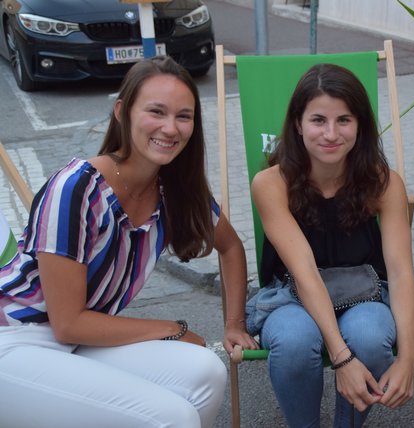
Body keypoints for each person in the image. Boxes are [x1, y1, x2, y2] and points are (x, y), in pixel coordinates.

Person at [0, 56, 258, 428]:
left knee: (207, 372)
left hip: (78, 341)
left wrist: (234, 323)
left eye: (183, 116)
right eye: (156, 111)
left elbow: (231, 247)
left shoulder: (174, 191)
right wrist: (172, 329)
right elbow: (67, 323)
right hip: (18, 342)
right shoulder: (76, 189)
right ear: (122, 111)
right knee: (174, 417)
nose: (171, 128)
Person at [248, 63, 414, 427]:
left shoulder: (384, 183)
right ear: (297, 124)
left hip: (366, 291)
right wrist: (341, 359)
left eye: (344, 120)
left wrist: (406, 358)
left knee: (371, 338)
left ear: (360, 125)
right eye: (318, 120)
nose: (331, 133)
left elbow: (402, 272)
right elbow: (304, 271)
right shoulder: (271, 183)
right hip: (292, 294)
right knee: (294, 340)